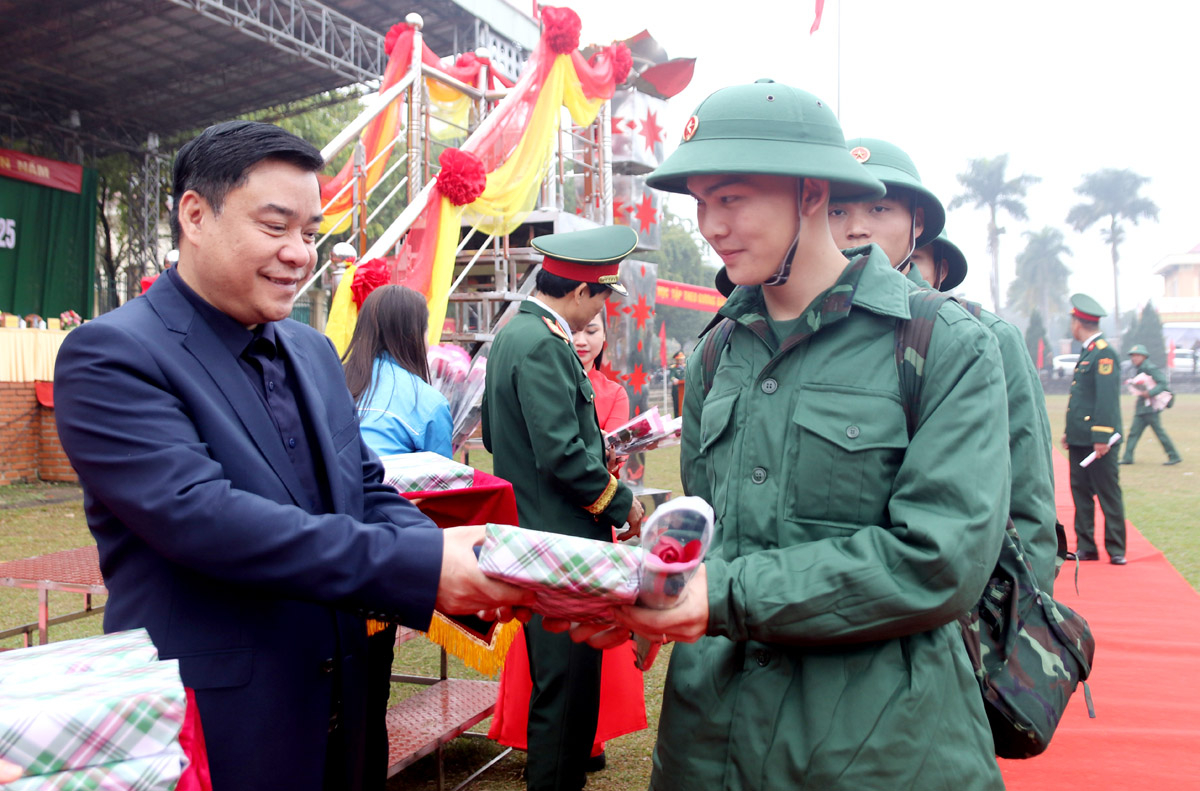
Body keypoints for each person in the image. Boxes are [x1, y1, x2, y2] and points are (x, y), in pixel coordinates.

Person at [52, 120, 531, 791]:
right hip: (218, 725)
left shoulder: (308, 350)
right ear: (195, 214)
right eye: (275, 226)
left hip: (346, 710)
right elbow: (205, 519)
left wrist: (463, 565)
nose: (299, 254)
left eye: (310, 233)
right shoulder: (114, 355)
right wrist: (426, 566)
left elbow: (363, 488)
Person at [570, 79, 1011, 789]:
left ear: (811, 193)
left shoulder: (942, 344)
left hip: (875, 752)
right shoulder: (716, 352)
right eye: (700, 202)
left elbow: (939, 559)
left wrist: (720, 594)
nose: (710, 224)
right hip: (709, 744)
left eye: (732, 197)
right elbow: (712, 533)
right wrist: (644, 595)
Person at [830, 137, 1059, 591]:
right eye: (837, 211)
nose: (857, 228)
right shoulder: (800, 330)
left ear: (916, 223)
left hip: (953, 622)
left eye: (879, 210)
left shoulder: (984, 336)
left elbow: (1026, 502)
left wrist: (1013, 637)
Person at [482, 224, 646, 791]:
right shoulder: (544, 343)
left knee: (566, 687)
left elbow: (499, 435)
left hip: (539, 533)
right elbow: (561, 454)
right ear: (582, 292)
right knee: (567, 691)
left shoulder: (514, 334)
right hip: (561, 544)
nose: (600, 311)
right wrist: (622, 503)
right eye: (603, 297)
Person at [340, 282, 455, 787]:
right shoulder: (426, 399)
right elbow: (444, 483)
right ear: (415, 334)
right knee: (368, 692)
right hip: (385, 556)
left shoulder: (330, 383)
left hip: (318, 550)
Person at [343, 284, 453, 458]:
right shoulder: (429, 402)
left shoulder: (330, 381)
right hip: (390, 485)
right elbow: (442, 480)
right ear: (414, 336)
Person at [1063, 293, 1127, 565]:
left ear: (1078, 323)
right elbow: (1082, 398)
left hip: (1100, 440)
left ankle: (1116, 549)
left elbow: (1106, 399)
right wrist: (1071, 431)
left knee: (1107, 492)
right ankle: (1086, 546)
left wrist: (1101, 437)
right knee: (1081, 492)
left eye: (1071, 322)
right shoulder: (1089, 351)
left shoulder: (1104, 353)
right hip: (1080, 438)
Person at [1120, 344, 1182, 466]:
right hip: (1143, 407)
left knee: (1158, 432)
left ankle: (1174, 455)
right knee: (1134, 433)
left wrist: (1150, 393)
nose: (1134, 358)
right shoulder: (1140, 368)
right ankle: (1128, 457)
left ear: (1144, 356)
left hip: (1150, 407)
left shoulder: (1149, 368)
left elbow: (1162, 383)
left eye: (1137, 356)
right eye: (1132, 356)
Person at [668, 350, 686, 417]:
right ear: (677, 360)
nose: (682, 361)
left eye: (682, 359)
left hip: (685, 390)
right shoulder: (673, 368)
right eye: (680, 359)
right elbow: (671, 376)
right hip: (677, 390)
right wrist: (674, 380)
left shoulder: (686, 367)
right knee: (677, 406)